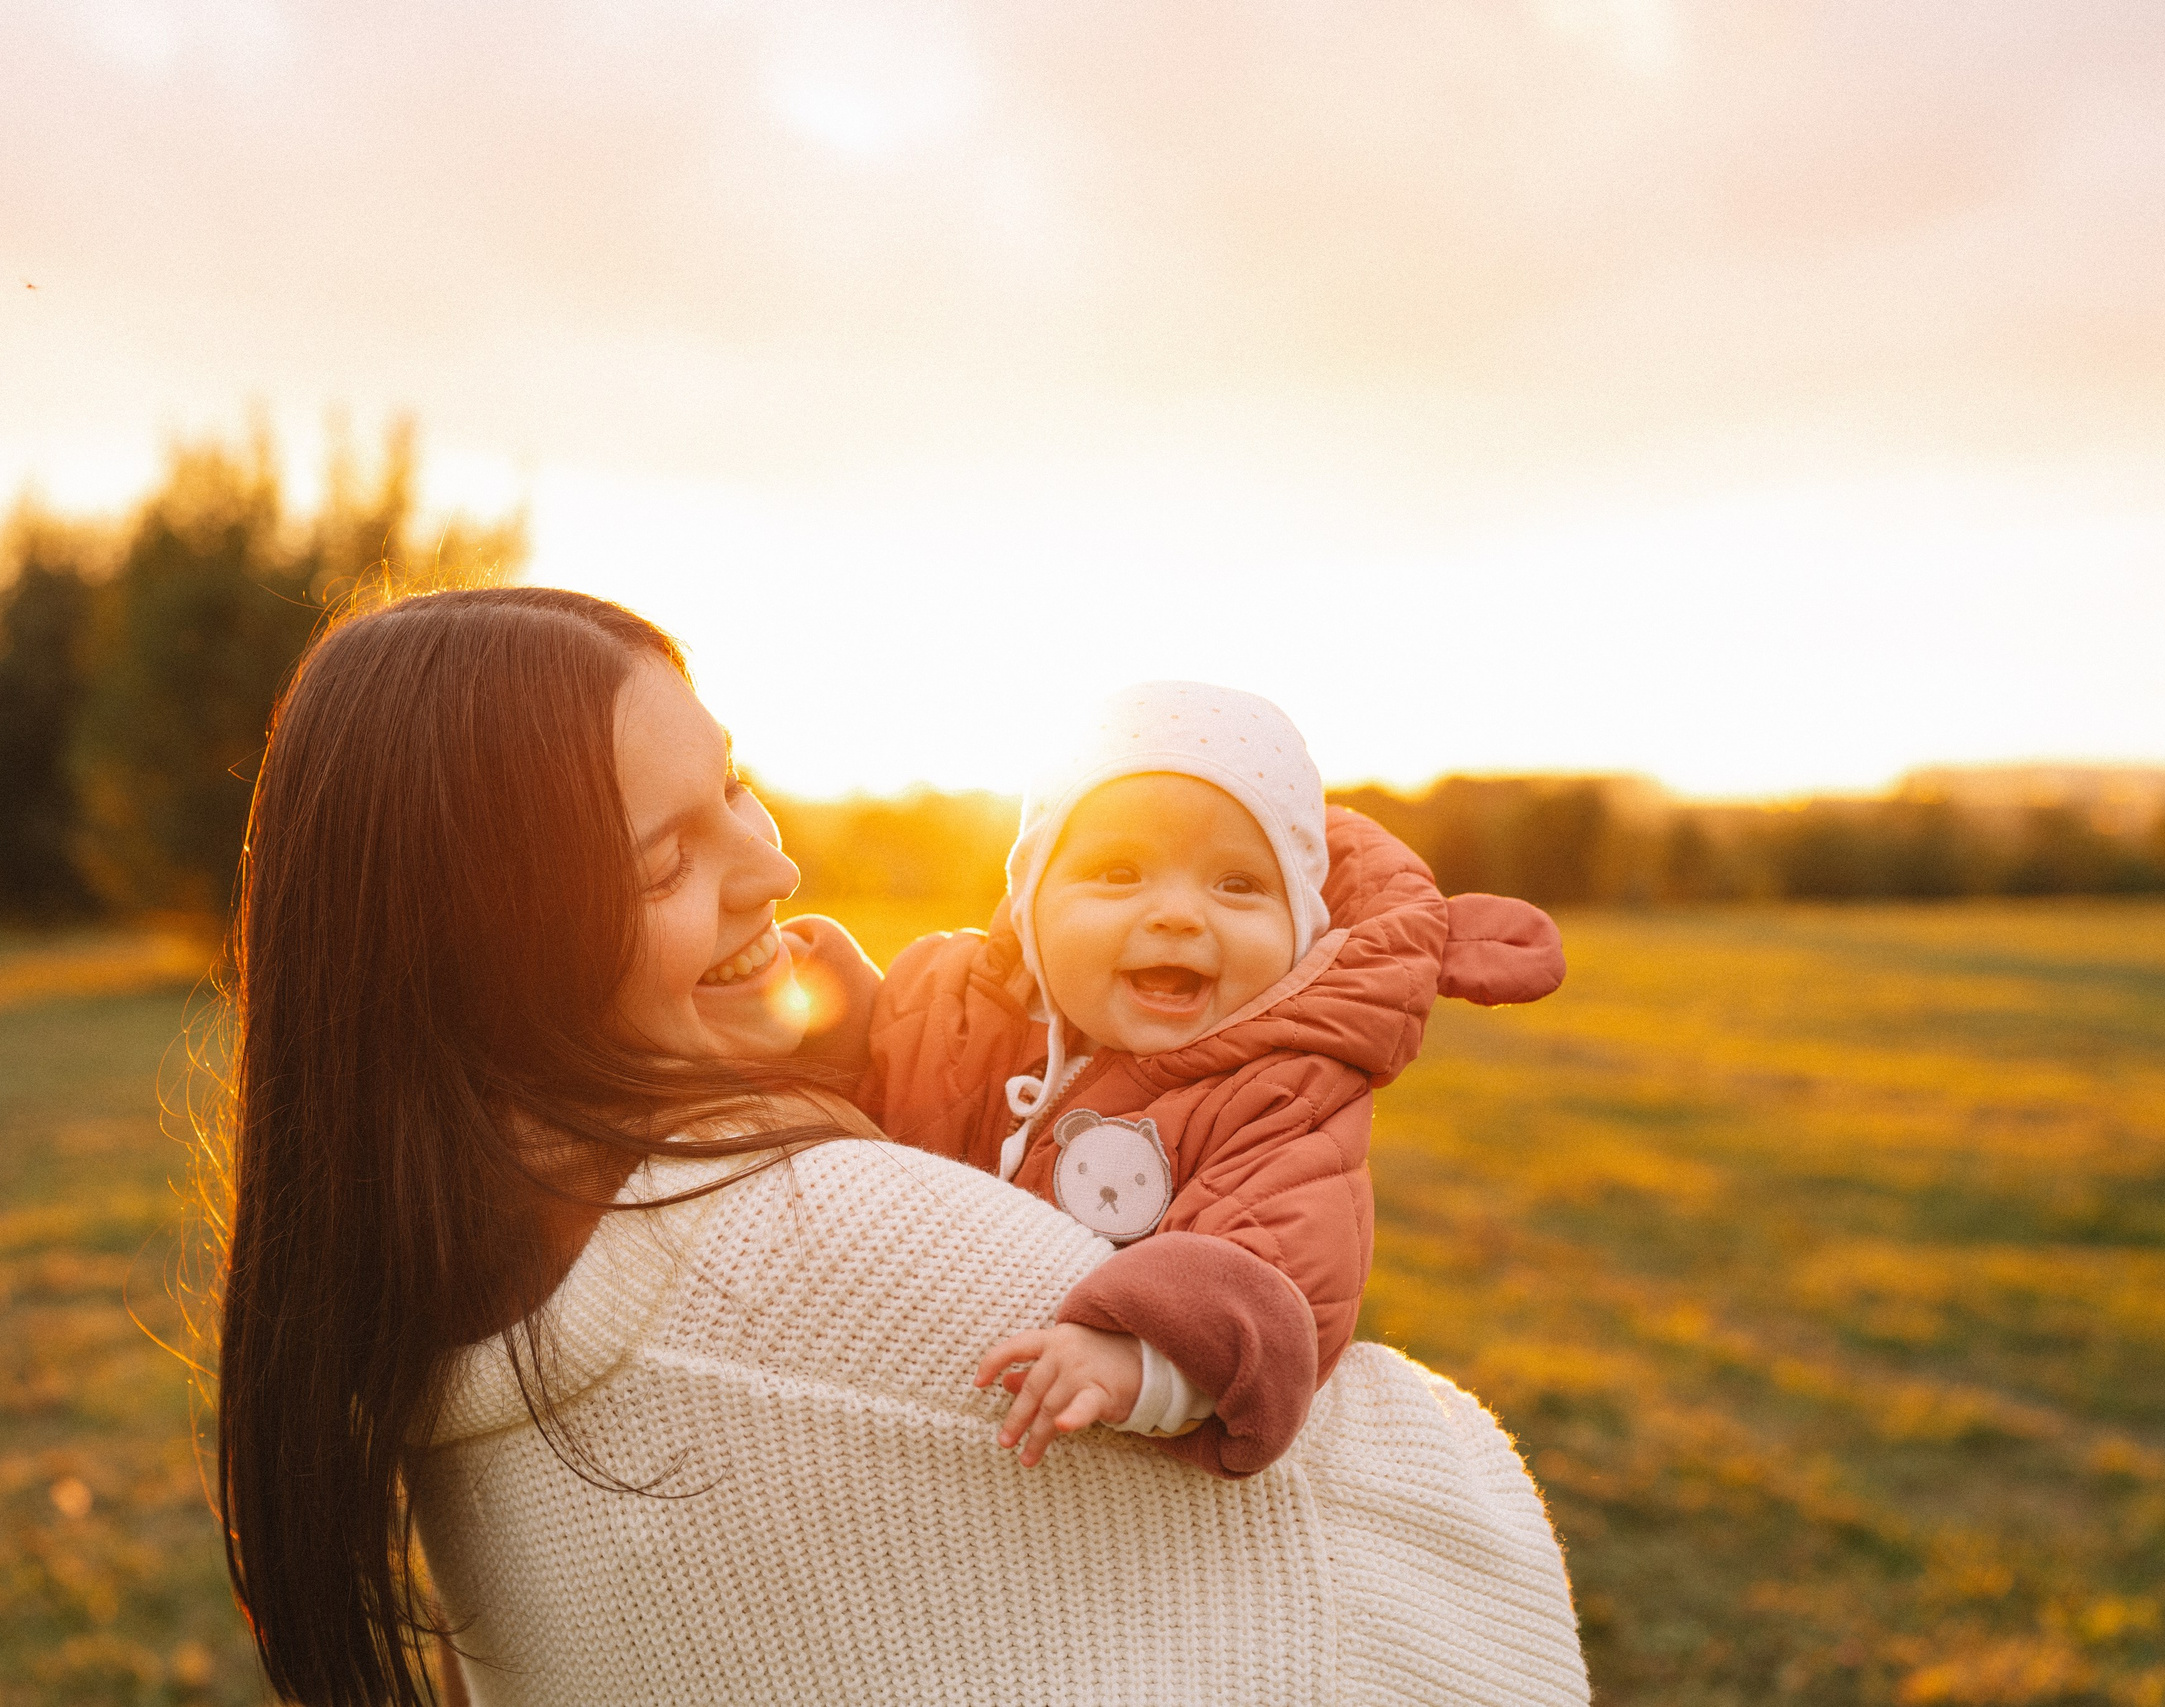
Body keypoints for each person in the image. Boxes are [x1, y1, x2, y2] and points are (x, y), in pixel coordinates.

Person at [213, 586, 1589, 1706]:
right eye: (665, 859)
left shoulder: (415, 1293)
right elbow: (1382, 1536)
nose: (773, 867)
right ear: (489, 943)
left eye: (737, 788)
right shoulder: (817, 1237)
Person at [850, 683, 1567, 1476]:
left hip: (1086, 1488)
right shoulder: (951, 1010)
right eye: (1120, 872)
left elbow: (1277, 1272)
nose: (1178, 914)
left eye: (1236, 885)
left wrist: (1138, 1361)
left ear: (1300, 930)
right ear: (1031, 903)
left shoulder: (1284, 1096)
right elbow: (840, 1057)